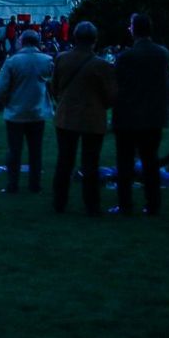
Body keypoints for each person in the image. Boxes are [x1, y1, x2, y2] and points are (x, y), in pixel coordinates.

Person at [50, 21, 116, 215]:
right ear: (94, 41)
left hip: (66, 116)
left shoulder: (61, 59)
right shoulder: (102, 65)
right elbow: (111, 96)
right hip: (92, 117)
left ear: (74, 37)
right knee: (91, 163)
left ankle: (59, 202)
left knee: (64, 161)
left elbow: (54, 87)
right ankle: (91, 204)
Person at [111, 13, 169, 215]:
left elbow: (117, 85)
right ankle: (153, 204)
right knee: (150, 161)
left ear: (133, 30)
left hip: (128, 116)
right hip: (154, 115)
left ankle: (125, 204)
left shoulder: (126, 56)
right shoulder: (161, 53)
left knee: (125, 163)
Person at [0, 31, 54, 193]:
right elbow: (53, 85)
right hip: (38, 111)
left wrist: (7, 102)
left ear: (22, 41)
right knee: (36, 150)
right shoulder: (47, 61)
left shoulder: (12, 62)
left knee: (14, 150)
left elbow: (1, 88)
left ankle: (13, 184)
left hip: (16, 112)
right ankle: (35, 184)